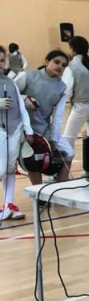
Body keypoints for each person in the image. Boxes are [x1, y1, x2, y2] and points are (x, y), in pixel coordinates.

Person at [15, 50, 73, 184]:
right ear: (47, 61)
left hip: (43, 128)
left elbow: (58, 117)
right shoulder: (28, 76)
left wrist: (53, 139)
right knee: (32, 159)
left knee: (69, 152)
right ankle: (38, 191)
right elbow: (10, 94)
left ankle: (61, 188)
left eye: (64, 65)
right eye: (56, 62)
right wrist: (24, 99)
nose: (60, 66)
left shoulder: (62, 87)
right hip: (21, 128)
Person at [0, 45, 35, 220]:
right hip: (0, 131)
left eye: (2, 60)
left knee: (10, 169)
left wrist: (28, 129)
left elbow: (21, 108)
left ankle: (8, 205)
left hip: (14, 130)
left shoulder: (10, 82)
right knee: (1, 170)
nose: (0, 64)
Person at [61, 36, 89, 164]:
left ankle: (65, 167)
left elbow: (66, 89)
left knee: (68, 136)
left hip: (81, 105)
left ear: (72, 48)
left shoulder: (72, 67)